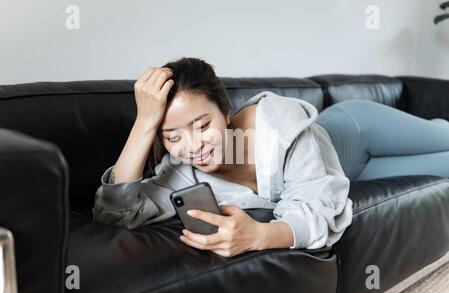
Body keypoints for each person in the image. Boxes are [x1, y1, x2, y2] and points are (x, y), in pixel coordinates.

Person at [92, 57, 449, 257]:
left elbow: (314, 210)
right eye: (172, 136)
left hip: (356, 129)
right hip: (351, 174)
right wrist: (144, 124)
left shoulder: (279, 125)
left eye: (202, 125)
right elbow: (113, 214)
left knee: (443, 134)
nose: (193, 146)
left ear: (225, 112)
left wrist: (259, 236)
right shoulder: (183, 172)